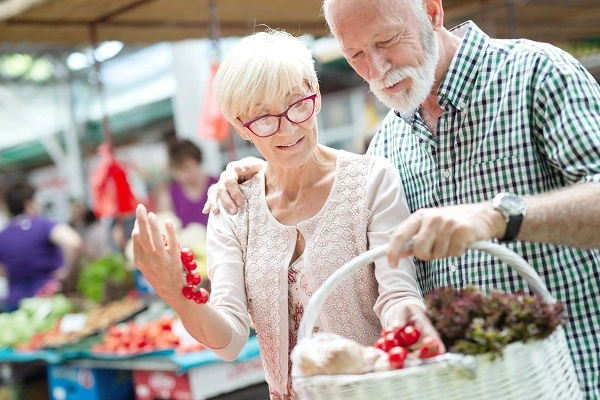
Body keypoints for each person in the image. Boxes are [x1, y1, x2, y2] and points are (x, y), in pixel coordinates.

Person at [204, 0, 600, 396]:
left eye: (388, 40)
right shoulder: (388, 146)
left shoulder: (537, 74)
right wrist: (263, 171)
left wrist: (499, 215)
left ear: (431, 12)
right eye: (356, 54)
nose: (377, 68)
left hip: (569, 377)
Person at [132, 30, 441, 400]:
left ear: (316, 92)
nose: (287, 128)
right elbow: (228, 341)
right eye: (263, 119)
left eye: (297, 104)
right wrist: (178, 295)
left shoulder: (371, 180)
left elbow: (397, 293)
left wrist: (409, 317)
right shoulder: (234, 207)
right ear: (240, 127)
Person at [0, 183, 83, 310]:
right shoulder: (42, 225)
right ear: (28, 204)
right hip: (49, 299)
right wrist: (68, 274)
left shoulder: (3, 235)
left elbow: (2, 271)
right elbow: (74, 242)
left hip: (17, 306)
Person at [154, 138, 218, 228]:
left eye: (187, 168)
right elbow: (163, 227)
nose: (183, 176)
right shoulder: (168, 195)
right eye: (178, 170)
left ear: (197, 161)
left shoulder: (218, 185)